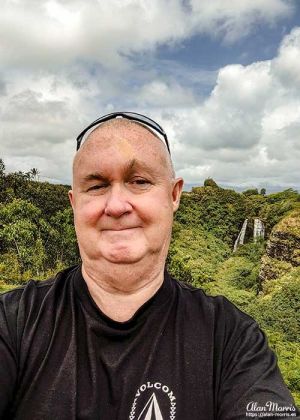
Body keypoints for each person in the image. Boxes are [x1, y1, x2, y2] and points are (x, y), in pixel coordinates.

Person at [0, 112, 298, 420]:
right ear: (74, 203)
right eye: (97, 185)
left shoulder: (232, 339)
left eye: (139, 181)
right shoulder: (14, 323)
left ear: (173, 195)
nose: (116, 205)